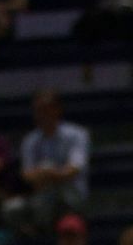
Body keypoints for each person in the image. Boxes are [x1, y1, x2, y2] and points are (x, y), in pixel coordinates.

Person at [19, 91, 91, 229]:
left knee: (49, 180)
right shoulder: (30, 140)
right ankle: (38, 236)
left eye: (46, 109)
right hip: (40, 196)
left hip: (72, 195)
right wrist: (51, 174)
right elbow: (27, 175)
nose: (41, 114)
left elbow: (73, 169)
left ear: (58, 110)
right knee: (12, 209)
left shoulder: (77, 134)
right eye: (38, 110)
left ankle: (43, 231)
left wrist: (47, 173)